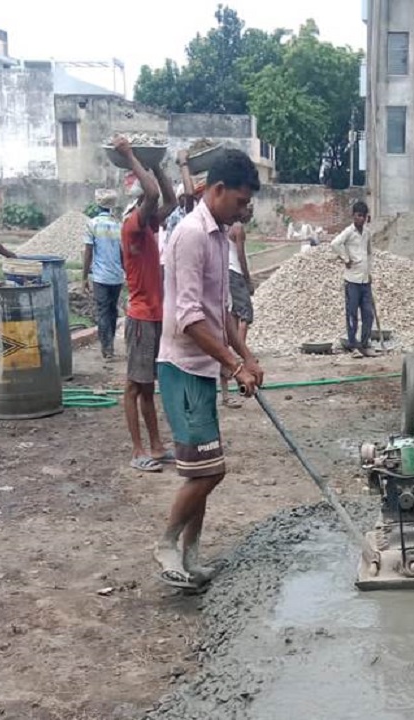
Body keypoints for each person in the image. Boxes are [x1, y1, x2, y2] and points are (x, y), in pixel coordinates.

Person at [154, 149, 263, 589]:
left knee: (205, 469)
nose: (243, 212)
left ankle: (192, 557)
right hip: (181, 367)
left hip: (204, 369)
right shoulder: (191, 235)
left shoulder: (219, 236)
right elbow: (189, 319)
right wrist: (235, 365)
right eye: (239, 202)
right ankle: (166, 544)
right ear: (217, 190)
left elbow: (219, 312)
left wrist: (247, 357)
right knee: (210, 471)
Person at [110, 136, 178, 473]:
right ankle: (138, 450)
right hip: (140, 317)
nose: (151, 211)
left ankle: (156, 445)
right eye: (143, 209)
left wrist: (157, 165)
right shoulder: (131, 229)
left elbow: (171, 199)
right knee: (134, 386)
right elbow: (152, 195)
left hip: (153, 316)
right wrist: (131, 156)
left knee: (148, 386)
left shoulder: (148, 228)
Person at [83, 188, 125, 359]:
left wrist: (84, 276)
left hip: (100, 277)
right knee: (112, 310)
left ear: (97, 204)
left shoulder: (92, 224)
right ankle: (111, 345)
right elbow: (123, 252)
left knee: (102, 311)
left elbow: (88, 252)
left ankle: (106, 348)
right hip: (116, 276)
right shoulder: (119, 225)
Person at [331, 201, 376, 357]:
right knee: (352, 314)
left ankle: (365, 343)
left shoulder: (367, 233)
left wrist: (369, 271)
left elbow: (369, 252)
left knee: (368, 314)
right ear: (354, 216)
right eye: (359, 216)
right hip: (352, 281)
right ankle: (353, 345)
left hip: (365, 280)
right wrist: (346, 258)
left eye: (364, 216)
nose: (361, 219)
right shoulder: (349, 232)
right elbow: (335, 244)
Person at [221, 203, 255, 408]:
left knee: (233, 316)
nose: (250, 214)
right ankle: (239, 351)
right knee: (246, 314)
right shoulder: (238, 228)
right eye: (247, 209)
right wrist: (248, 279)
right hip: (235, 272)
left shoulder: (226, 227)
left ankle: (234, 349)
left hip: (228, 272)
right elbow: (240, 255)